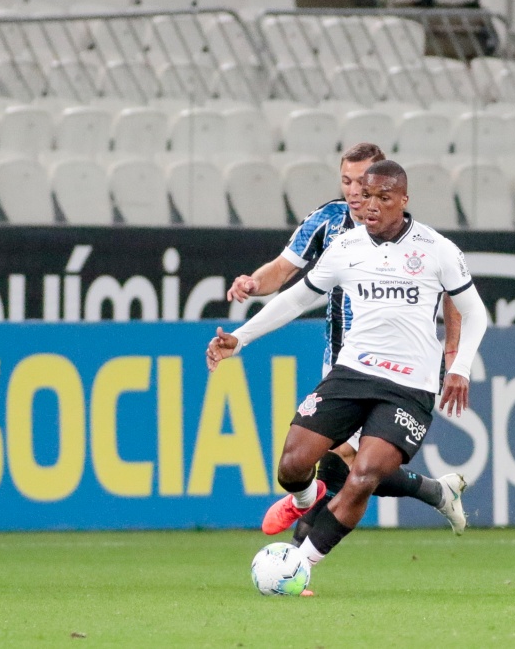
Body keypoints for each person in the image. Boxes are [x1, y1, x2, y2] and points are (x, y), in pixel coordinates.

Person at [207, 160, 487, 584]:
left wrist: (459, 367)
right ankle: (306, 501)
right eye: (366, 196)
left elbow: (474, 312)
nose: (371, 205)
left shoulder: (437, 249)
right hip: (352, 372)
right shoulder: (346, 246)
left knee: (364, 476)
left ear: (403, 201)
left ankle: (300, 566)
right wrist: (240, 338)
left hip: (410, 386)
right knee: (292, 465)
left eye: (383, 198)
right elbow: (296, 298)